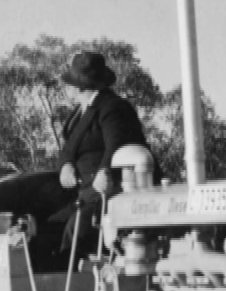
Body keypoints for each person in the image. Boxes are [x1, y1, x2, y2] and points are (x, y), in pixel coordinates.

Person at [53, 51, 156, 263]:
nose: (65, 86)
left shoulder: (112, 107)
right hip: (83, 194)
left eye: (69, 82)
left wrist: (105, 170)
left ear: (80, 86)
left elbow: (116, 144)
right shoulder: (79, 113)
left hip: (108, 192)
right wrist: (65, 165)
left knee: (77, 229)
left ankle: (78, 285)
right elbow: (68, 148)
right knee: (48, 226)